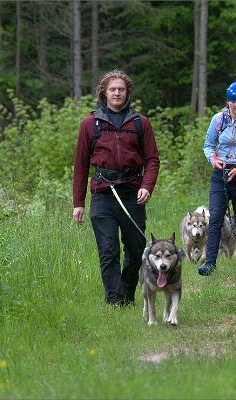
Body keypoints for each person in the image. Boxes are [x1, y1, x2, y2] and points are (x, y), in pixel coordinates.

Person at [73, 69, 160, 305]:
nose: (117, 93)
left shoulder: (141, 123)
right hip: (103, 194)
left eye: (121, 89)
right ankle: (114, 300)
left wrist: (147, 186)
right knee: (108, 251)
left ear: (128, 92)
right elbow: (80, 165)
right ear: (104, 92)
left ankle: (128, 295)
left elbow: (152, 160)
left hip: (133, 194)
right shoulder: (90, 124)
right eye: (112, 89)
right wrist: (78, 203)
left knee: (135, 249)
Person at [199, 82, 236, 276]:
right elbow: (208, 145)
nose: (235, 105)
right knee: (215, 217)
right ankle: (210, 263)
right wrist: (213, 160)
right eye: (232, 101)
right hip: (221, 172)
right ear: (227, 102)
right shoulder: (218, 119)